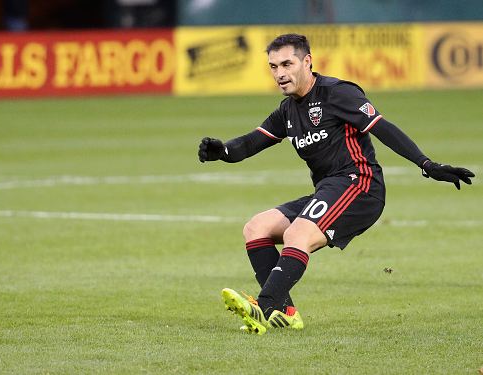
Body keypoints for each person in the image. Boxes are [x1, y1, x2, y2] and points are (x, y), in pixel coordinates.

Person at [197, 33, 475, 335]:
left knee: (297, 233)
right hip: (330, 189)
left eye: (287, 64)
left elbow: (382, 126)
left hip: (360, 185)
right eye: (273, 66)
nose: (280, 73)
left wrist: (426, 164)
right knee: (256, 227)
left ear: (307, 61)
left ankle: (264, 306)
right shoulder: (288, 110)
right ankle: (285, 312)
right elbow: (251, 143)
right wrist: (223, 151)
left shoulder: (337, 93)